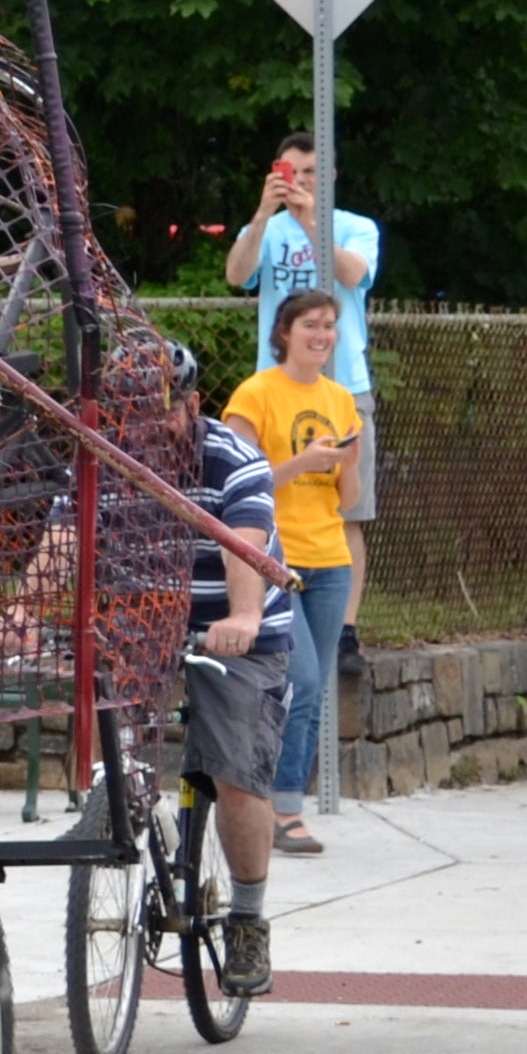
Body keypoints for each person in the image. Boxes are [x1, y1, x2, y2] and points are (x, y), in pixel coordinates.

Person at [223, 288, 364, 851]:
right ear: (284, 332)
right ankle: (278, 808)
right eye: (311, 324)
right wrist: (303, 463)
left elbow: (346, 499)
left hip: (330, 557)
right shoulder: (255, 395)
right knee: (298, 680)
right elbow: (236, 486)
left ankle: (284, 805)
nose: (322, 334)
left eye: (330, 325)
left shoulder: (341, 399)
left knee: (313, 685)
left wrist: (346, 463)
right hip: (276, 557)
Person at [178, 366, 301, 989]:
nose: (140, 426)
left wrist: (244, 615)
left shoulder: (232, 458)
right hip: (140, 625)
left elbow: (243, 544)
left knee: (236, 771)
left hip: (232, 627)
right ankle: (112, 821)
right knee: (110, 746)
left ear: (191, 403)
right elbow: (65, 533)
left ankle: (248, 920)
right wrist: (23, 614)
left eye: (157, 410)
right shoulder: (100, 449)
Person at [223, 133, 380, 518]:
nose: (302, 180)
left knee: (349, 514)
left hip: (344, 385)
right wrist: (262, 214)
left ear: (330, 177)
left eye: (312, 172)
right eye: (292, 171)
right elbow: (236, 274)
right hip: (278, 387)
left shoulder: (356, 227)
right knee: (267, 502)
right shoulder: (269, 230)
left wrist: (310, 222)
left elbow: (352, 274)